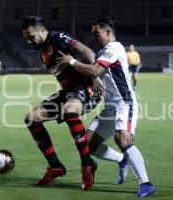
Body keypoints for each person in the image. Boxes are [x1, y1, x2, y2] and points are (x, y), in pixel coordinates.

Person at [55, 16, 156, 198]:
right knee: (87, 144)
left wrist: (71, 61)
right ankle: (122, 160)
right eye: (93, 34)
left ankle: (146, 184)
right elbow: (97, 73)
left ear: (108, 32)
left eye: (97, 34)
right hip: (110, 107)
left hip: (124, 103)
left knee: (122, 138)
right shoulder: (103, 52)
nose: (95, 37)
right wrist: (94, 79)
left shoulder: (114, 47)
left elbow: (95, 70)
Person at [22, 16, 100, 190]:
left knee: (69, 111)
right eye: (26, 38)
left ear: (42, 30)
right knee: (31, 118)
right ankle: (55, 166)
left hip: (86, 86)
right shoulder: (42, 50)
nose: (28, 41)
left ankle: (87, 165)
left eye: (31, 36)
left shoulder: (57, 37)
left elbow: (87, 51)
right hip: (69, 91)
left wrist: (95, 76)